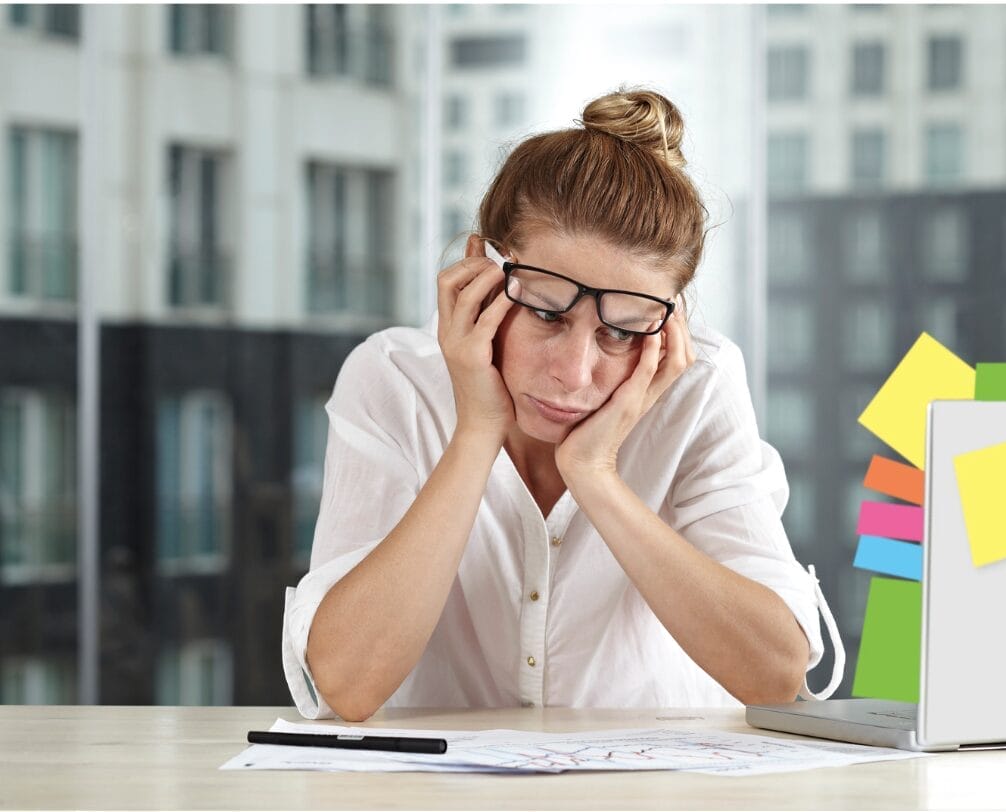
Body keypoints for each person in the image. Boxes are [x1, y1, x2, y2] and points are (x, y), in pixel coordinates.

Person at [282, 88, 843, 721]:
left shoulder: (698, 386)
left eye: (623, 330)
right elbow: (346, 684)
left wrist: (596, 476)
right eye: (547, 313)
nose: (574, 373)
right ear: (483, 275)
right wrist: (475, 433)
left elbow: (775, 674)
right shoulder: (394, 380)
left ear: (669, 325)